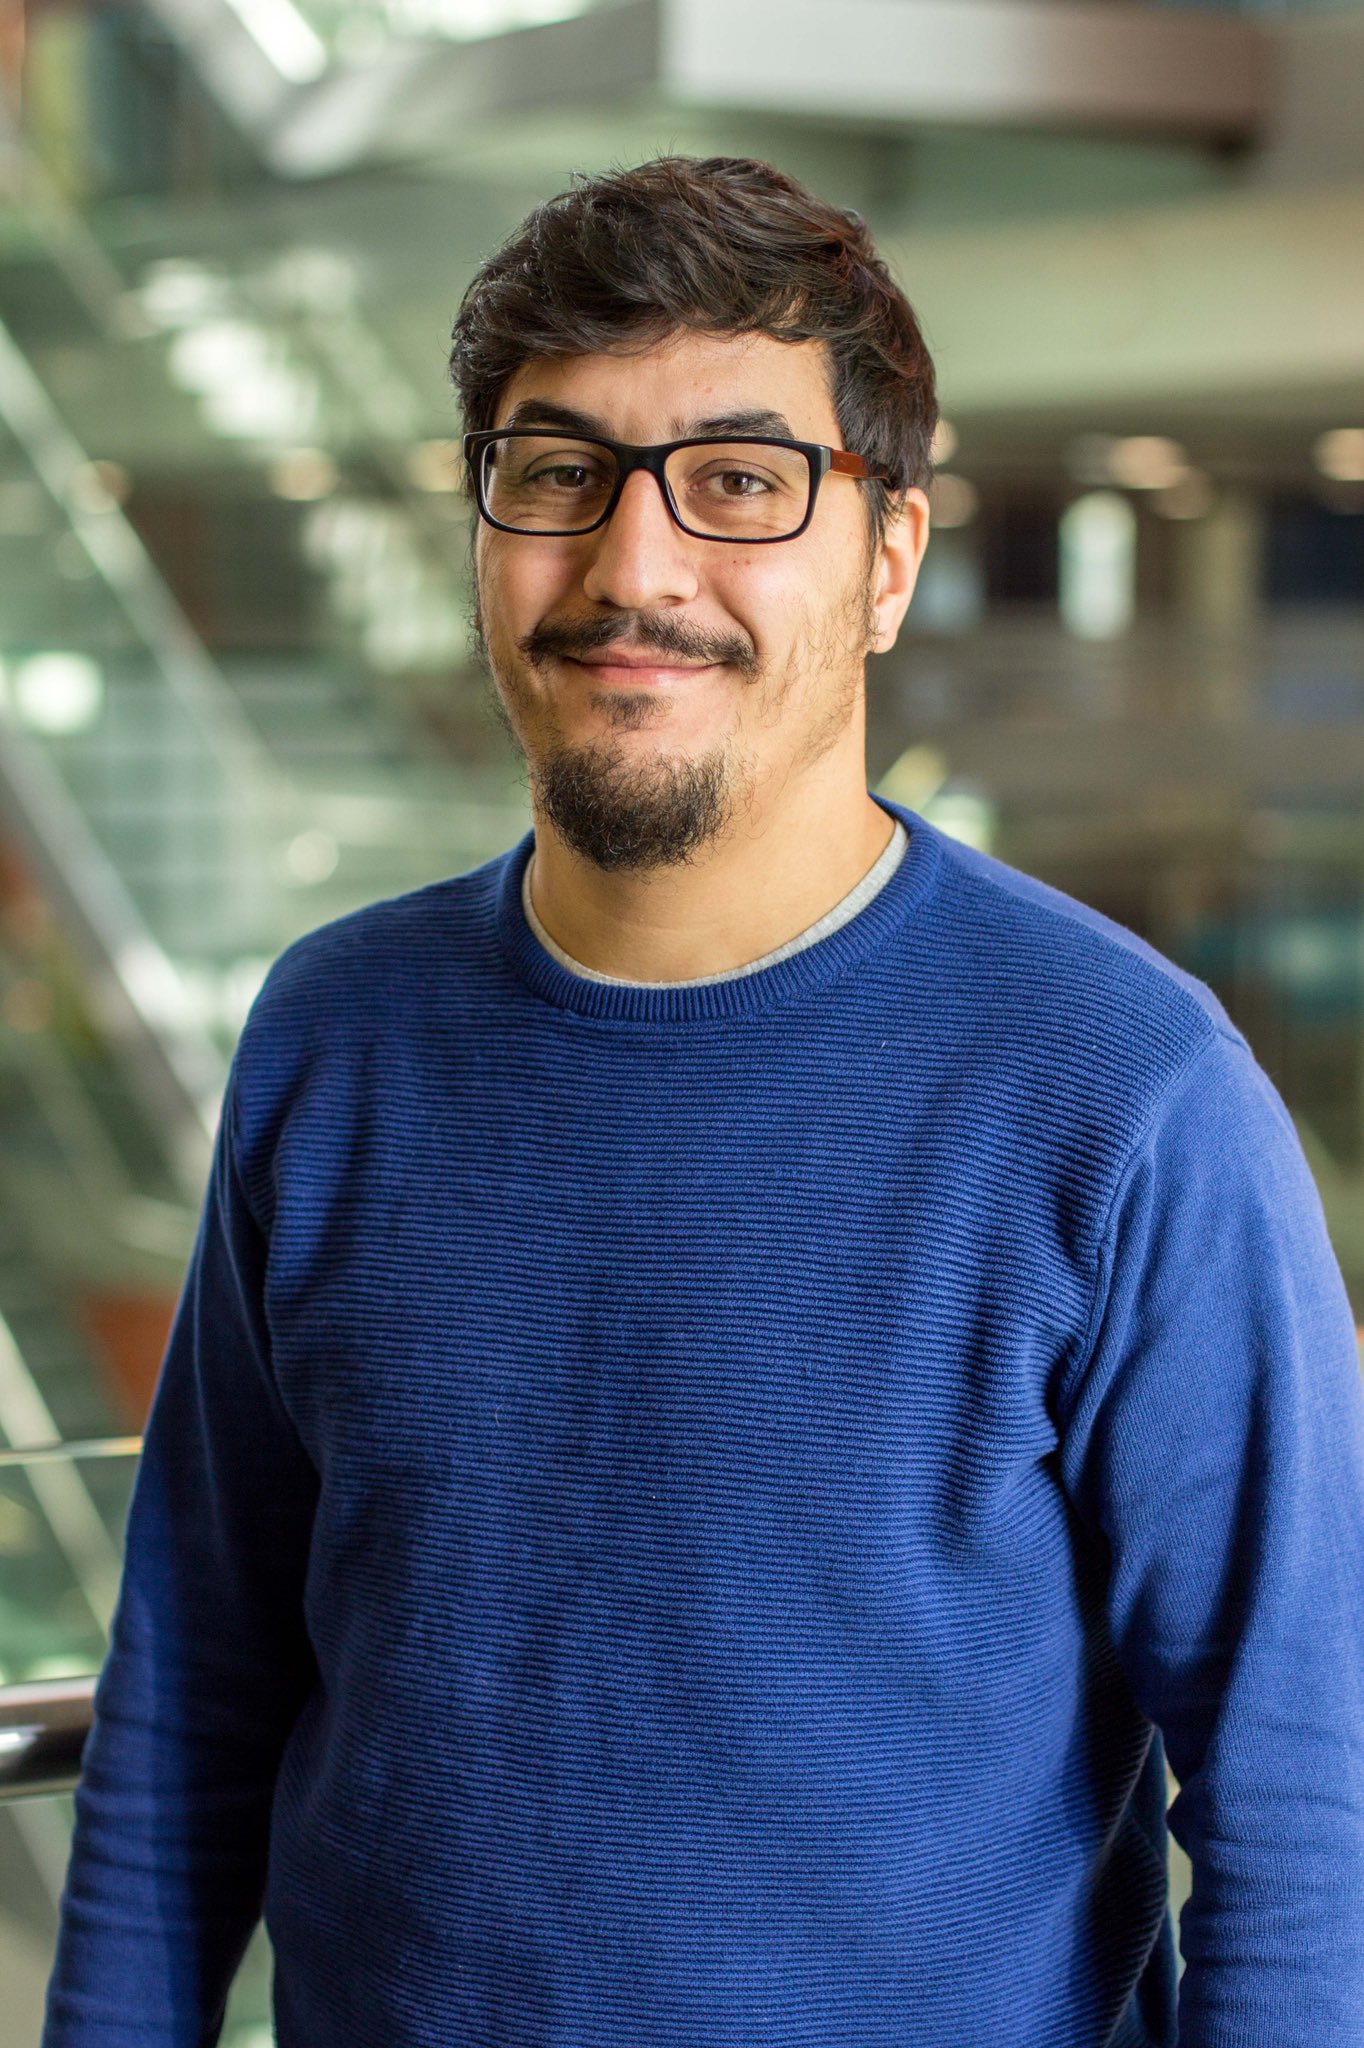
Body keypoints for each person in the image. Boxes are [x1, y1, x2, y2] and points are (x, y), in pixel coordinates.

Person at [43, 155, 1364, 2048]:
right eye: (558, 473)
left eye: (740, 482)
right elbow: (191, 1698)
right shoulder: (334, 1032)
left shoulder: (1126, 1094)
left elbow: (1303, 1813)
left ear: (888, 559)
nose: (633, 568)